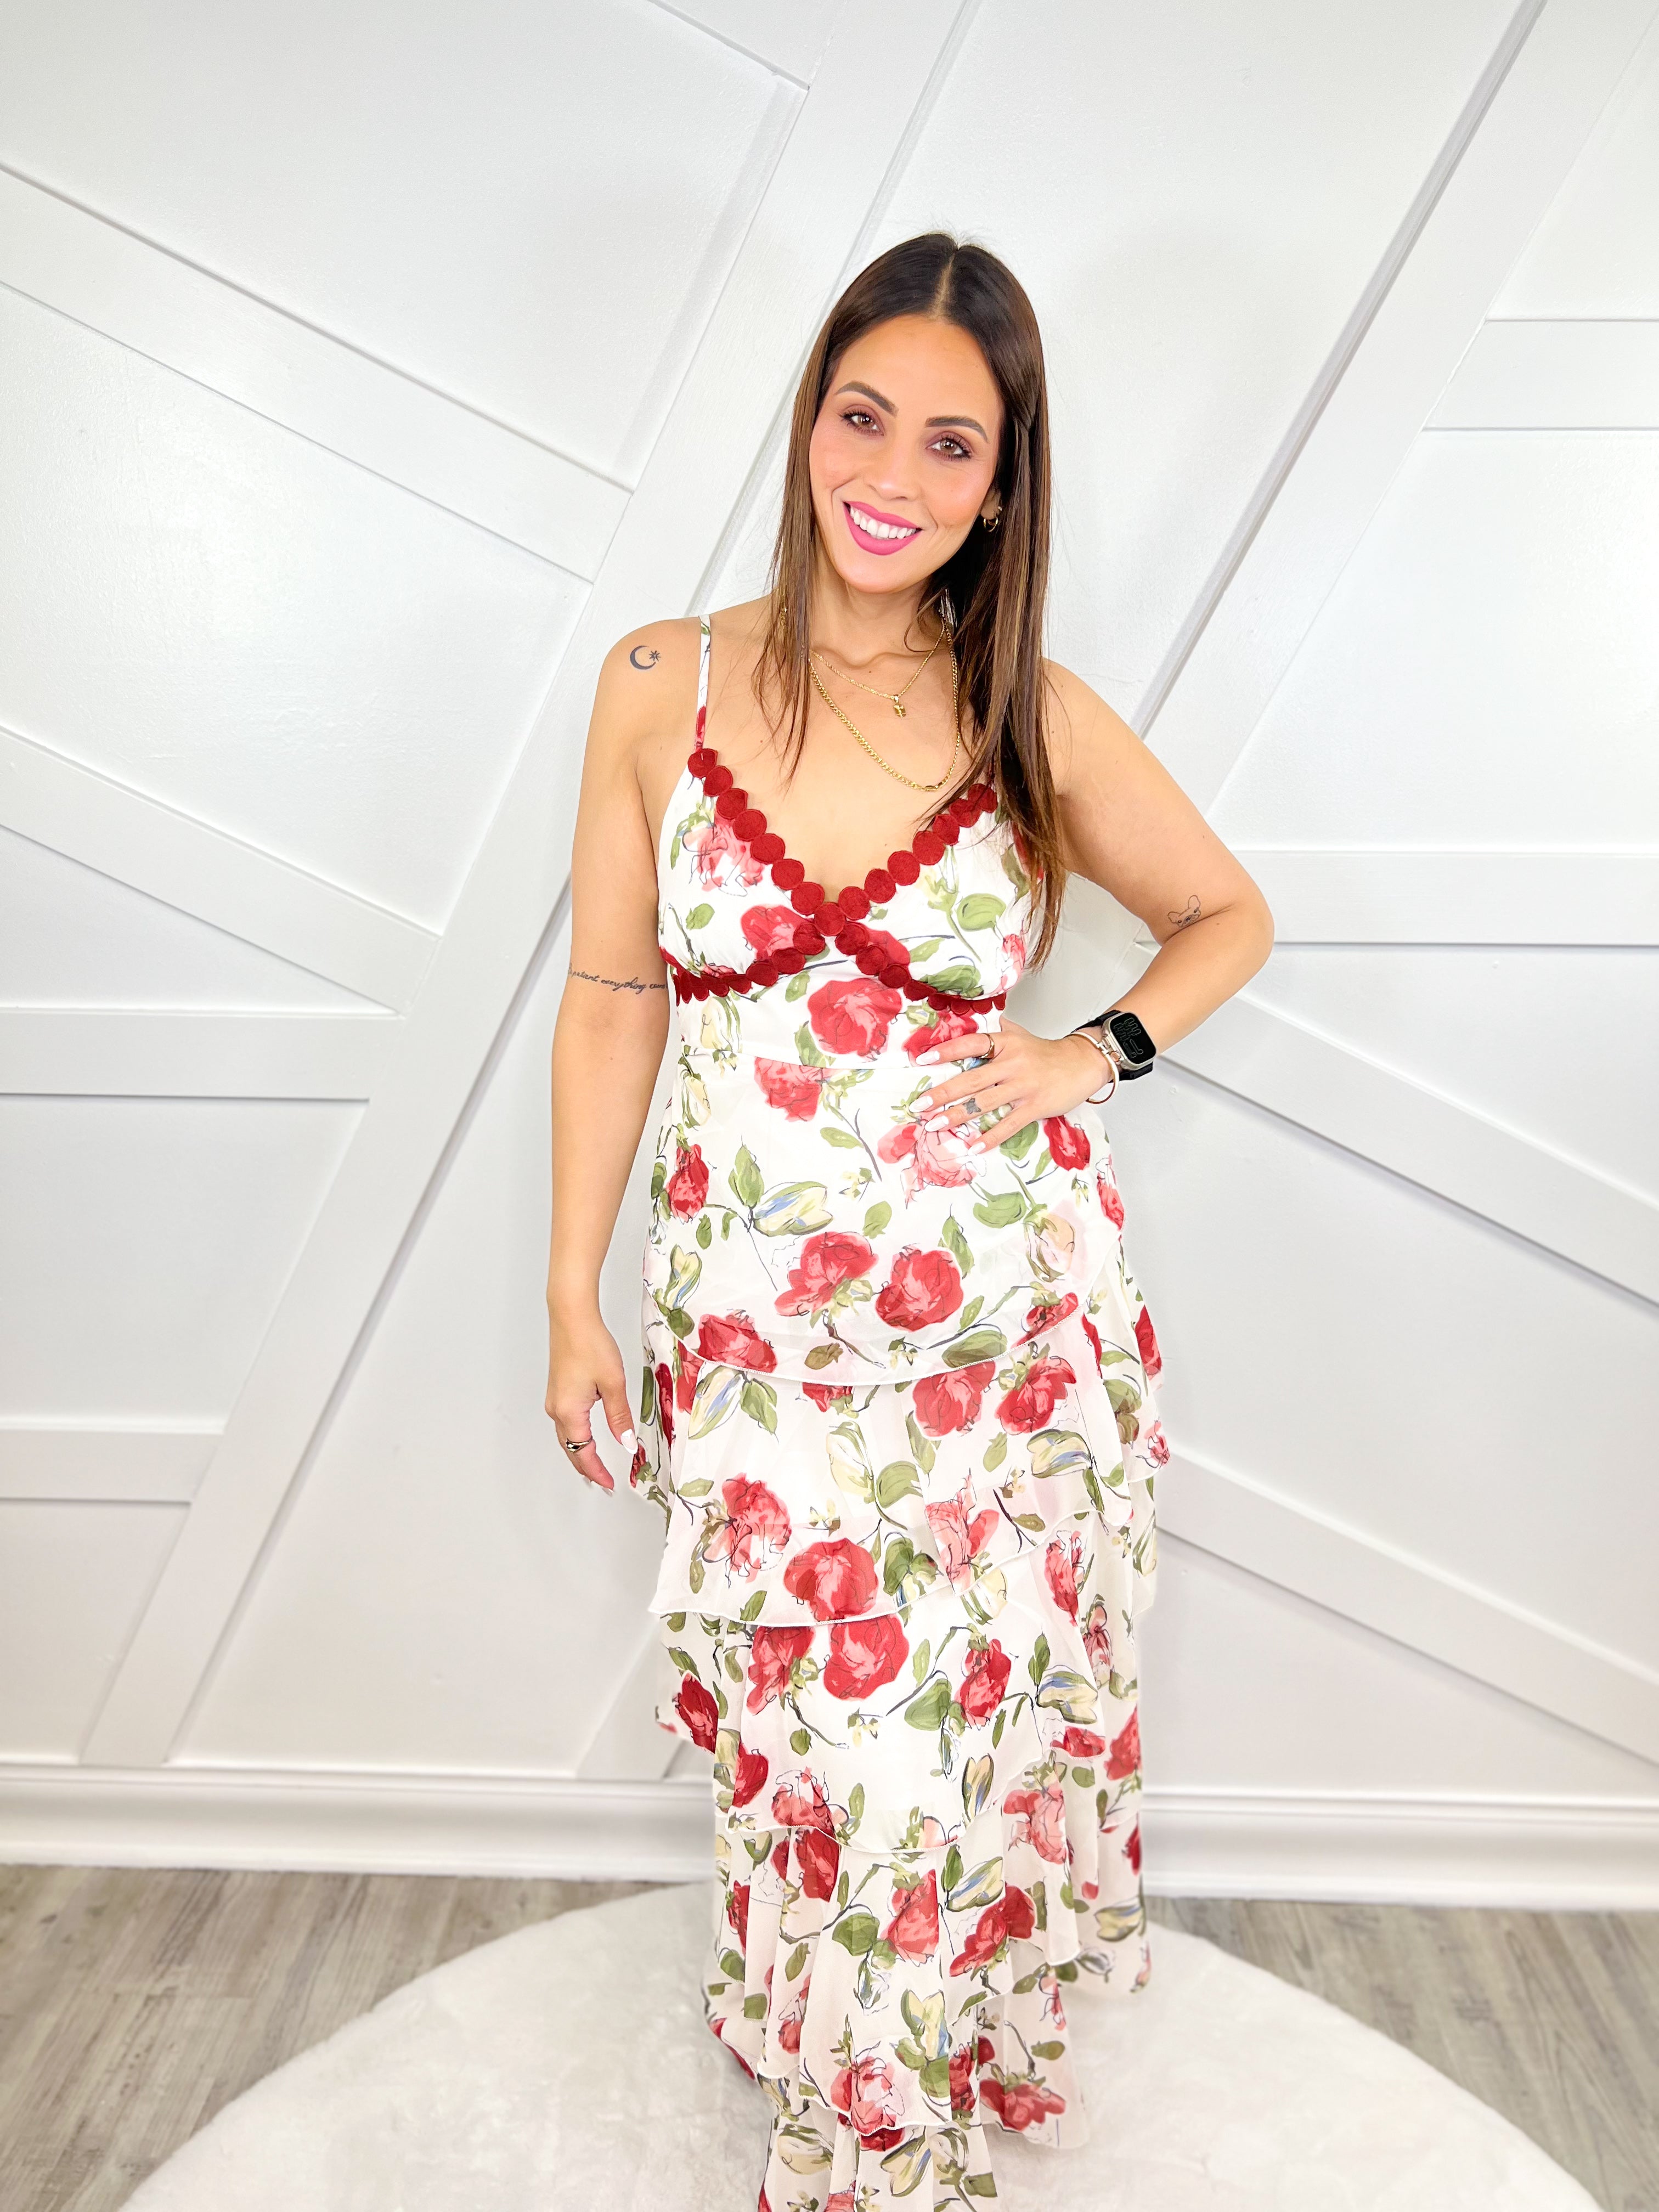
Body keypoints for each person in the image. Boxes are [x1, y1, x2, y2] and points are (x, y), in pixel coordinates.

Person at [545, 232, 1273, 2210]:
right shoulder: (660, 685)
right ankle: (826, 2030)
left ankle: (880, 2146)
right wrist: (572, 1291)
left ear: (1002, 486)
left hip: (997, 1346)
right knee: (812, 1729)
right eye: (862, 417)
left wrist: (1091, 1053)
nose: (893, 475)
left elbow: (1229, 916)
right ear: (808, 422)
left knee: (929, 1752)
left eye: (954, 444)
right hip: (752, 1334)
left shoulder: (1029, 711)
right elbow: (612, 998)